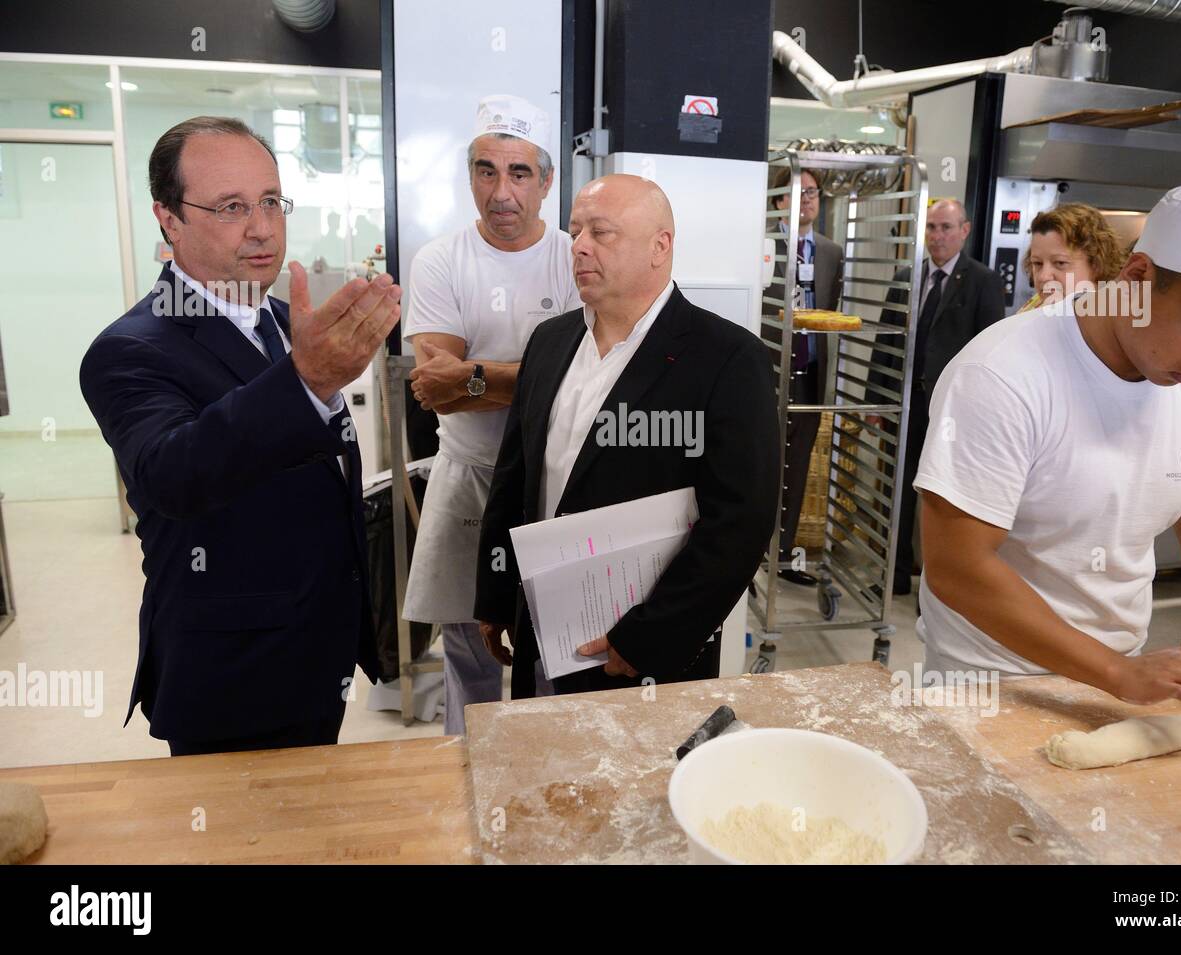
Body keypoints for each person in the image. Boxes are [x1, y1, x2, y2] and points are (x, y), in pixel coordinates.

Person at [917, 178, 1181, 730]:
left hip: (1122, 679)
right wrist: (1117, 673)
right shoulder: (1002, 374)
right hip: (989, 683)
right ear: (1139, 278)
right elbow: (957, 566)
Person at [80, 116, 402, 755]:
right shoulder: (130, 350)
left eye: (270, 202)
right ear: (169, 220)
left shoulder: (288, 323)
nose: (262, 228)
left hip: (317, 651)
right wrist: (306, 382)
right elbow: (174, 474)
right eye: (231, 207)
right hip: (231, 672)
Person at [474, 174, 780, 698]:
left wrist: (649, 638)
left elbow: (739, 525)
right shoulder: (550, 341)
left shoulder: (727, 359)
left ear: (660, 246)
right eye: (575, 232)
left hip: (643, 656)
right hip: (542, 625)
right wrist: (497, 593)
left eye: (602, 232)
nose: (580, 247)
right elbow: (515, 475)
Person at [401, 95, 582, 734]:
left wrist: (475, 374)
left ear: (546, 181)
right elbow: (436, 390)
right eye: (485, 171)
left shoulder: (572, 257)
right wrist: (536, 377)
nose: (501, 191)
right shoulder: (440, 261)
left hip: (550, 479)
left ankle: (538, 775)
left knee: (550, 648)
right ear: (469, 175)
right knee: (467, 649)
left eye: (519, 173)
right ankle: (467, 776)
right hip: (470, 475)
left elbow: (579, 379)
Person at [869, 198, 1004, 596]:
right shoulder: (906, 277)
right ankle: (891, 576)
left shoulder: (982, 281)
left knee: (941, 499)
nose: (937, 236)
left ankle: (936, 589)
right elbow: (885, 341)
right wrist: (877, 399)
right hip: (905, 405)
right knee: (894, 491)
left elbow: (990, 347)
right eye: (931, 227)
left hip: (953, 413)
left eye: (946, 227)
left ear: (964, 230)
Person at [764, 167, 845, 585]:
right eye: (799, 192)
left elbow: (831, 314)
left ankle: (783, 558)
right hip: (770, 370)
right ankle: (751, 553)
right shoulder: (761, 245)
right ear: (780, 199)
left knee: (797, 467)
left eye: (813, 192)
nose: (808, 199)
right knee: (763, 462)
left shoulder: (831, 252)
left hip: (810, 372)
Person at [1018, 202, 1126, 312]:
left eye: (1060, 263)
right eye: (1037, 263)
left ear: (1097, 265)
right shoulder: (1035, 305)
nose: (1043, 277)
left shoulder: (1112, 321)